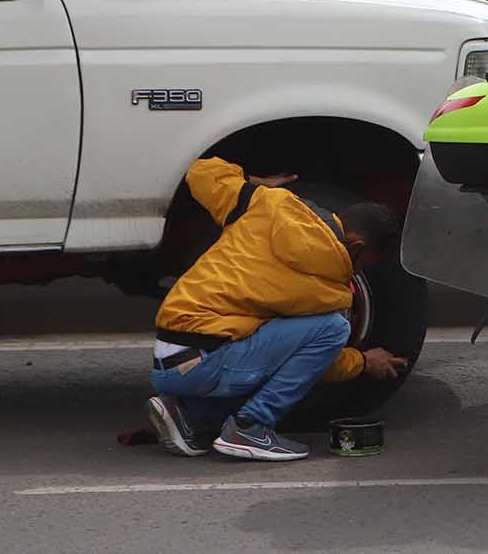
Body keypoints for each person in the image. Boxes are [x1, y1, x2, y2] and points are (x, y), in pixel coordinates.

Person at [146, 157, 407, 461]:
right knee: (333, 330)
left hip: (169, 354)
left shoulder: (268, 202)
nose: (357, 271)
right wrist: (363, 362)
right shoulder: (329, 290)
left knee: (259, 344)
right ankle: (250, 427)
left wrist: (252, 183)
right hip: (205, 362)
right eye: (364, 264)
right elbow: (314, 364)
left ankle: (189, 414)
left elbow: (201, 172)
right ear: (356, 247)